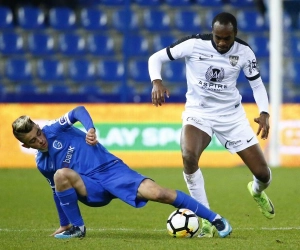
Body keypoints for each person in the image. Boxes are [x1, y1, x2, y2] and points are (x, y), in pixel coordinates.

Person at [12, 105, 232, 239]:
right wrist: (63, 223)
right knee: (61, 175)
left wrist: (90, 128)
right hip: (89, 188)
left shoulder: (53, 128)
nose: (40, 139)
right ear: (26, 145)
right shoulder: (43, 163)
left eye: (38, 133)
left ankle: (216, 219)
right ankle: (76, 228)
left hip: (112, 170)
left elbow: (78, 111)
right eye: (33, 140)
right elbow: (57, 192)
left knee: (159, 193)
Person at [148, 12, 275, 238]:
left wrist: (264, 112)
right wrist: (156, 81)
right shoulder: (194, 44)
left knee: (263, 174)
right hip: (199, 113)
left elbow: (257, 85)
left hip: (231, 117)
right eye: (218, 37)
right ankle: (205, 218)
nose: (222, 43)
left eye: (227, 38)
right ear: (212, 33)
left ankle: (256, 191)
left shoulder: (245, 52)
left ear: (235, 34)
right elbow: (155, 58)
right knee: (188, 156)